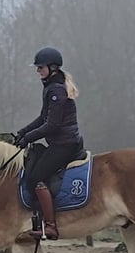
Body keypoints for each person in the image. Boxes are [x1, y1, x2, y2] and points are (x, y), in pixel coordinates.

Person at [14, 46, 84, 240]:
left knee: (35, 178)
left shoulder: (56, 91)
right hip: (60, 143)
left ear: (52, 68)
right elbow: (42, 118)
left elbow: (52, 125)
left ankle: (51, 226)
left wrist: (29, 138)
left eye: (40, 67)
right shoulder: (52, 87)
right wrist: (23, 132)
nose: (38, 71)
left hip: (65, 144)